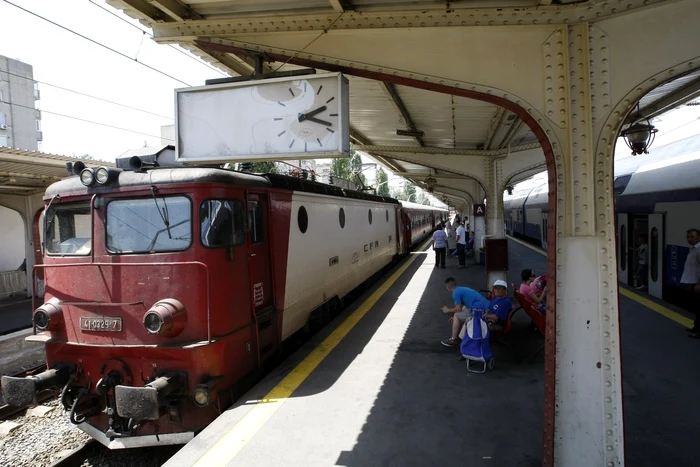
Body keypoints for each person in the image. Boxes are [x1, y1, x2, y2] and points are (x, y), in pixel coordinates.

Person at [440, 277, 489, 347]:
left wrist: (448, 310)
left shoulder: (455, 293)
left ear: (448, 287)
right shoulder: (461, 289)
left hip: (481, 310)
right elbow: (463, 307)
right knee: (462, 310)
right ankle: (460, 335)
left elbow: (458, 309)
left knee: (457, 315)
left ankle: (453, 339)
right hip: (485, 307)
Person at [680, 228, 700, 338]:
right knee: (697, 308)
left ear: (699, 237)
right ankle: (696, 328)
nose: (690, 239)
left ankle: (698, 331)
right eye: (688, 237)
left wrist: (699, 284)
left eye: (692, 237)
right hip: (692, 282)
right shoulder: (693, 249)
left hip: (697, 283)